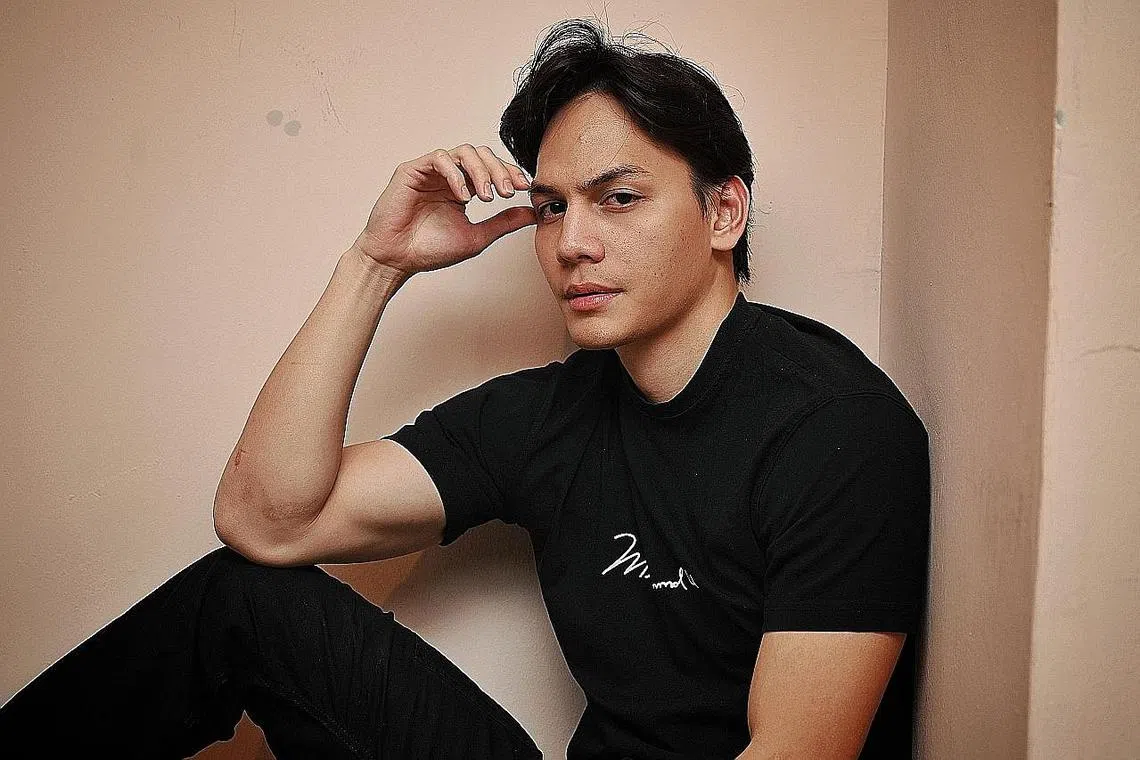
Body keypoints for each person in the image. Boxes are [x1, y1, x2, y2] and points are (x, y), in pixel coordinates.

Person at [0, 17, 930, 760]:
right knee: (242, 600)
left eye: (618, 198)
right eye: (552, 207)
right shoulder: (553, 415)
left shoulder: (837, 428)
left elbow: (797, 751)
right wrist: (376, 264)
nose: (572, 244)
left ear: (722, 211)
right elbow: (266, 523)